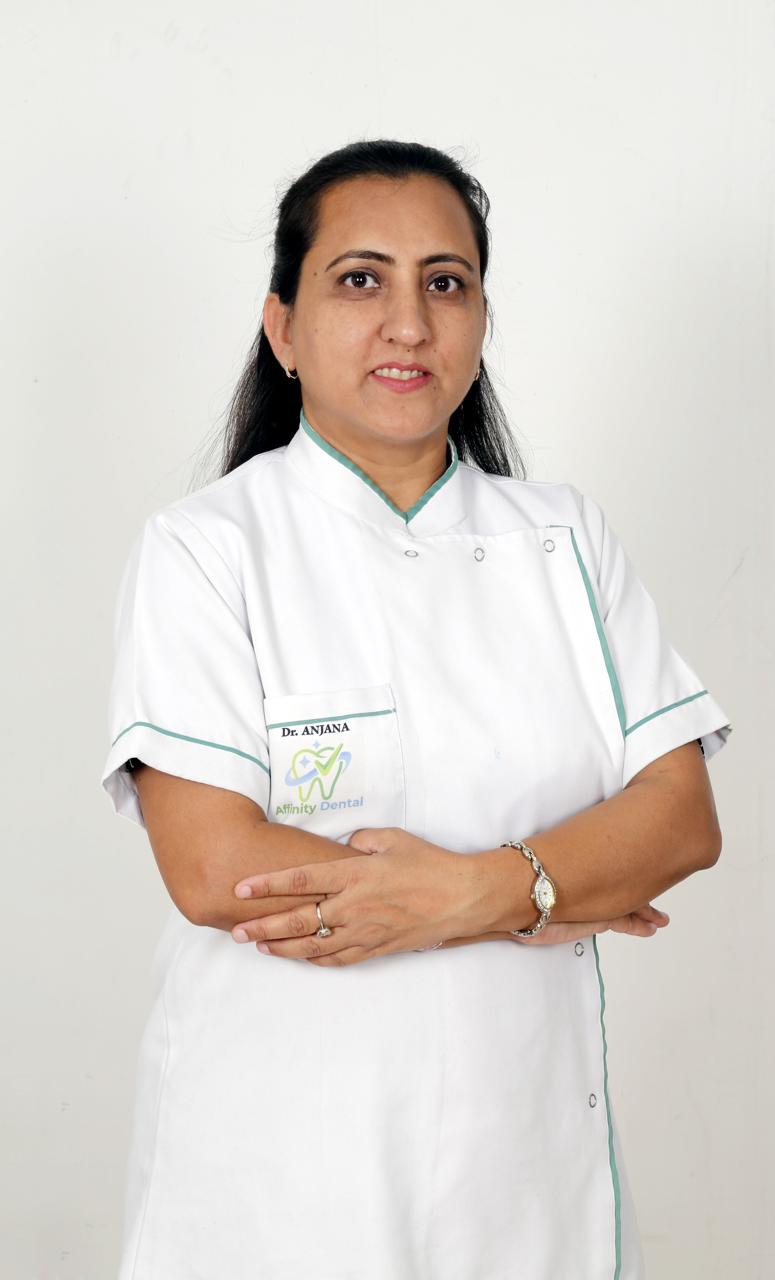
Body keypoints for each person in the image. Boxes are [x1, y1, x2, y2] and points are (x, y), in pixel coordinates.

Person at [100, 138, 732, 1280]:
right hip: (279, 1167)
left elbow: (679, 820)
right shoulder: (208, 548)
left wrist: (485, 888)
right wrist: (544, 890)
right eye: (360, 279)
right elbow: (212, 865)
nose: (408, 323)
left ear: (480, 319)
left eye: (446, 282)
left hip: (525, 1159)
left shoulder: (564, 538)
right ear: (283, 328)